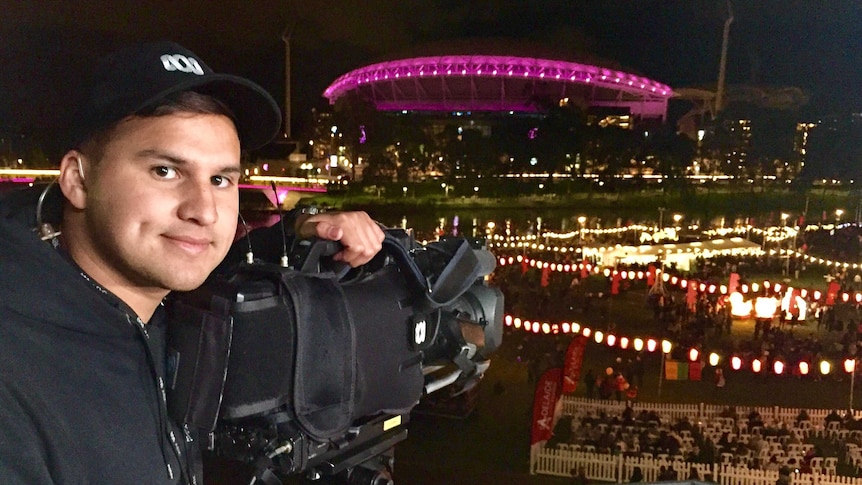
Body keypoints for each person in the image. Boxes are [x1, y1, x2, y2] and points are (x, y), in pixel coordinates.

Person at [0, 41, 384, 484]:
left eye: (220, 179)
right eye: (165, 171)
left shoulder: (152, 301)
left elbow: (215, 254)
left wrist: (302, 230)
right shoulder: (17, 374)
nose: (203, 210)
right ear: (78, 180)